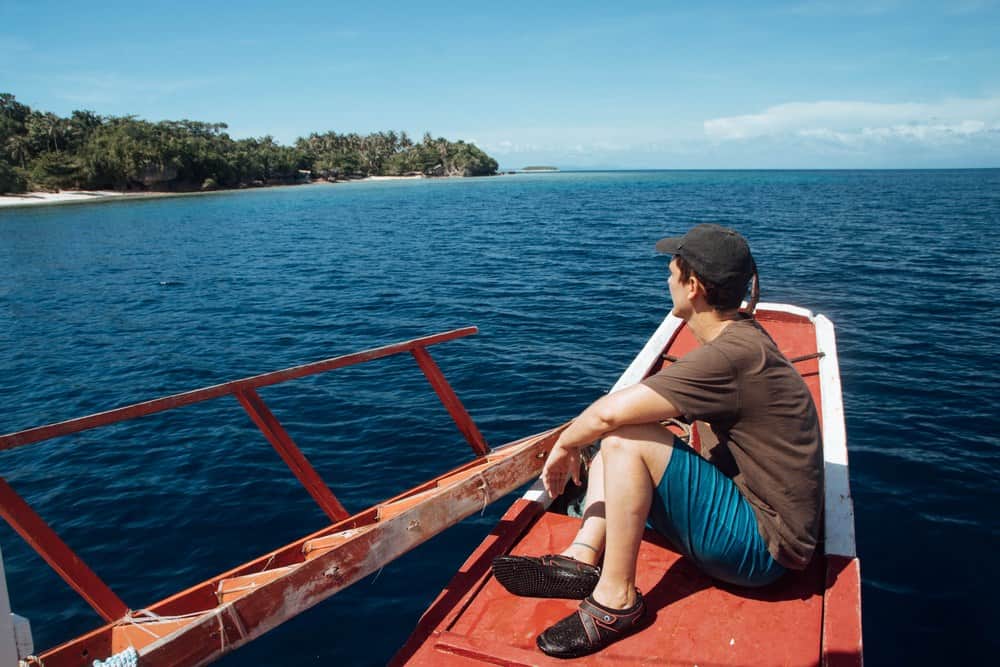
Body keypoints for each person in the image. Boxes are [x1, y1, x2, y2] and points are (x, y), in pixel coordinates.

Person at [492, 223, 823, 659]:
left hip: (764, 551)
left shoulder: (729, 356)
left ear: (693, 287)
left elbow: (610, 412)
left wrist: (565, 446)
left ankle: (617, 601)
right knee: (616, 432)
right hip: (754, 521)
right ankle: (582, 555)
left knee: (624, 436)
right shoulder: (741, 337)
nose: (666, 279)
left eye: (672, 272)